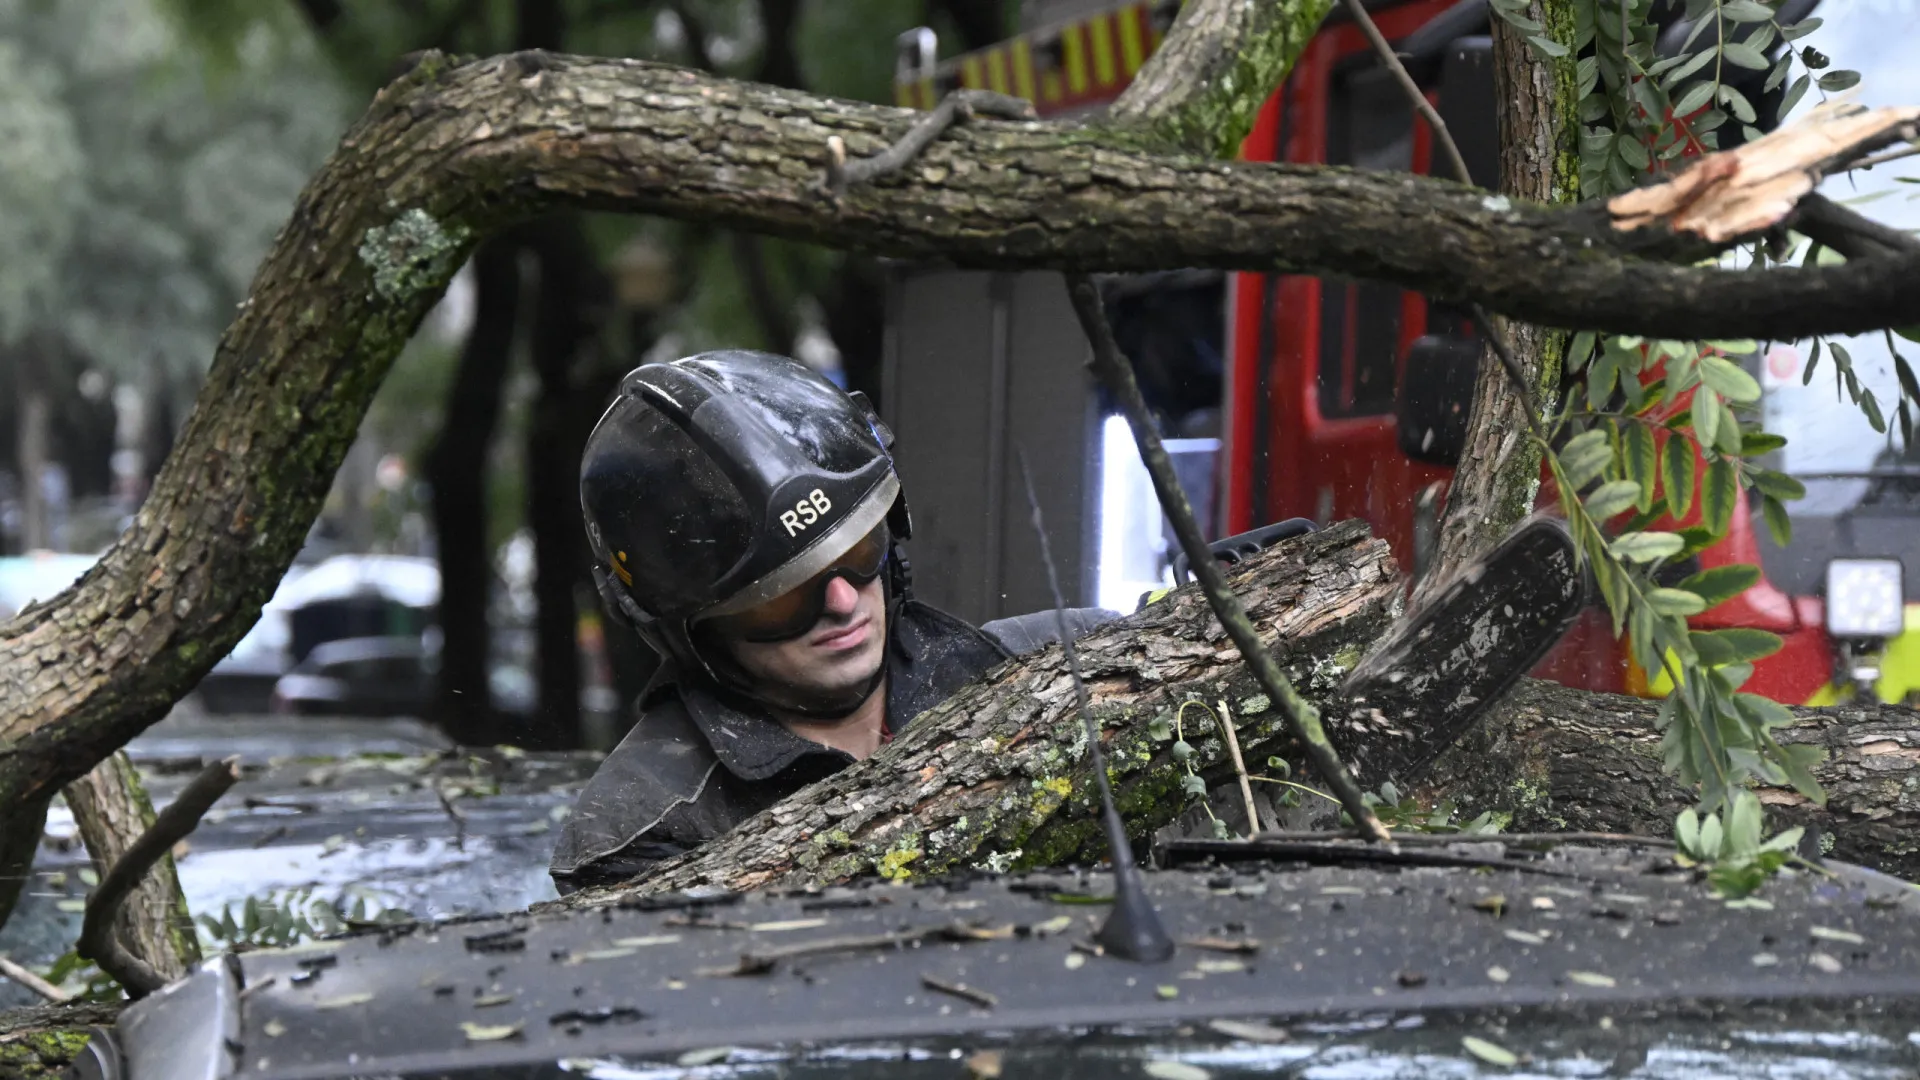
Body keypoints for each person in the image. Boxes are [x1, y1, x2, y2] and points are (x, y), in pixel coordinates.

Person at [550, 350, 1116, 893]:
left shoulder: (1069, 661)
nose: (844, 601)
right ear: (692, 631)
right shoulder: (643, 829)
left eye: (859, 553)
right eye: (784, 596)